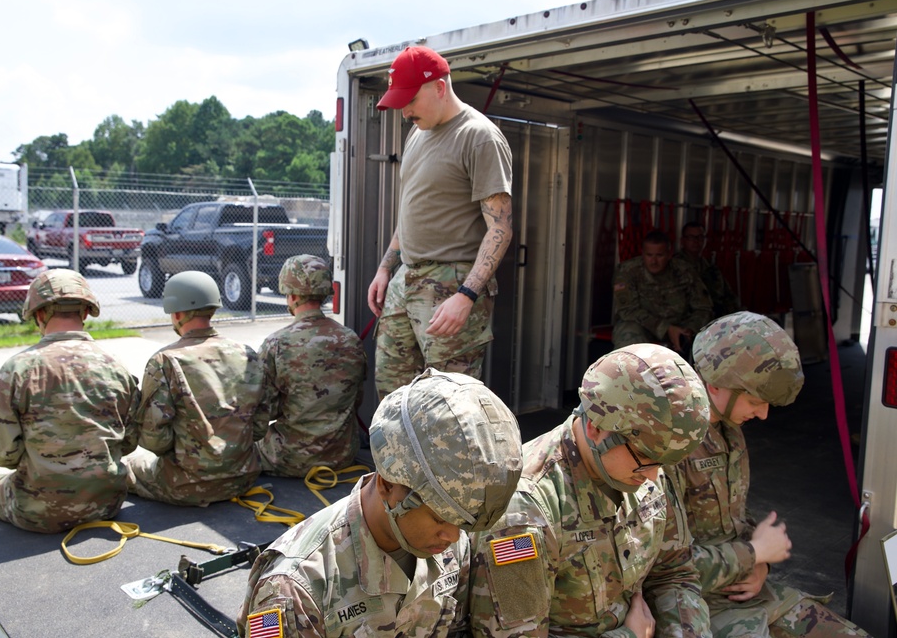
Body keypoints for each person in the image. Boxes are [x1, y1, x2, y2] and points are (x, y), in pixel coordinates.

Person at [239, 368, 523, 637]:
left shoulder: (449, 538)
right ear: (388, 485)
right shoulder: (295, 587)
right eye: (440, 517)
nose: (453, 535)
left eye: (462, 522)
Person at [468, 343, 712, 637]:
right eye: (645, 461)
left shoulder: (649, 459)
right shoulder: (522, 512)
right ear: (596, 428)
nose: (652, 477)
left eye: (662, 464)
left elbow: (674, 574)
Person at [668, 311, 870, 637]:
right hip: (692, 609)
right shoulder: (668, 445)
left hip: (742, 592)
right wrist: (754, 554)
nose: (762, 415)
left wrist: (761, 565)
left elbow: (727, 518)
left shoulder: (727, 429)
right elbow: (656, 570)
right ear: (716, 384)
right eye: (754, 401)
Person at [367, 45, 514, 400]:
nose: (405, 111)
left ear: (439, 87)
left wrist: (465, 296)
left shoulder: (479, 137)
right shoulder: (418, 133)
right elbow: (414, 209)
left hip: (451, 284)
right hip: (406, 281)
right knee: (393, 394)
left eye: (410, 100)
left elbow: (501, 227)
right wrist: (387, 267)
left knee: (447, 402)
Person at [0, 269, 140, 533]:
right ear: (85, 312)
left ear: (39, 314)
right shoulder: (116, 365)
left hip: (37, 511)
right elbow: (130, 441)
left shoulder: (18, 369)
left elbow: (1, 454)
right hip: (107, 504)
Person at [126, 271, 267, 506]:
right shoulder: (247, 353)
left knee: (129, 466)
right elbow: (261, 425)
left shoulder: (165, 360)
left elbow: (154, 440)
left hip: (185, 485)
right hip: (243, 478)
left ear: (177, 312)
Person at [257, 254, 368, 477]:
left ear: (291, 295)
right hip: (342, 456)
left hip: (288, 459)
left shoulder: (276, 343)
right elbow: (356, 399)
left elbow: (264, 409)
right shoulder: (350, 339)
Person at [613, 229, 713, 353]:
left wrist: (689, 329)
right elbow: (628, 310)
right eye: (649, 255)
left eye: (659, 255)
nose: (654, 261)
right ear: (642, 253)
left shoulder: (683, 271)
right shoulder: (628, 271)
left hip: (679, 326)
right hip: (643, 326)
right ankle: (630, 371)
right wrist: (666, 329)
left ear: (669, 254)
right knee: (628, 332)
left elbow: (703, 307)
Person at [673, 221, 740, 318]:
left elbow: (728, 297)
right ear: (682, 241)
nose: (696, 241)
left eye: (700, 237)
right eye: (691, 237)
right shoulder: (674, 267)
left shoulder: (712, 269)